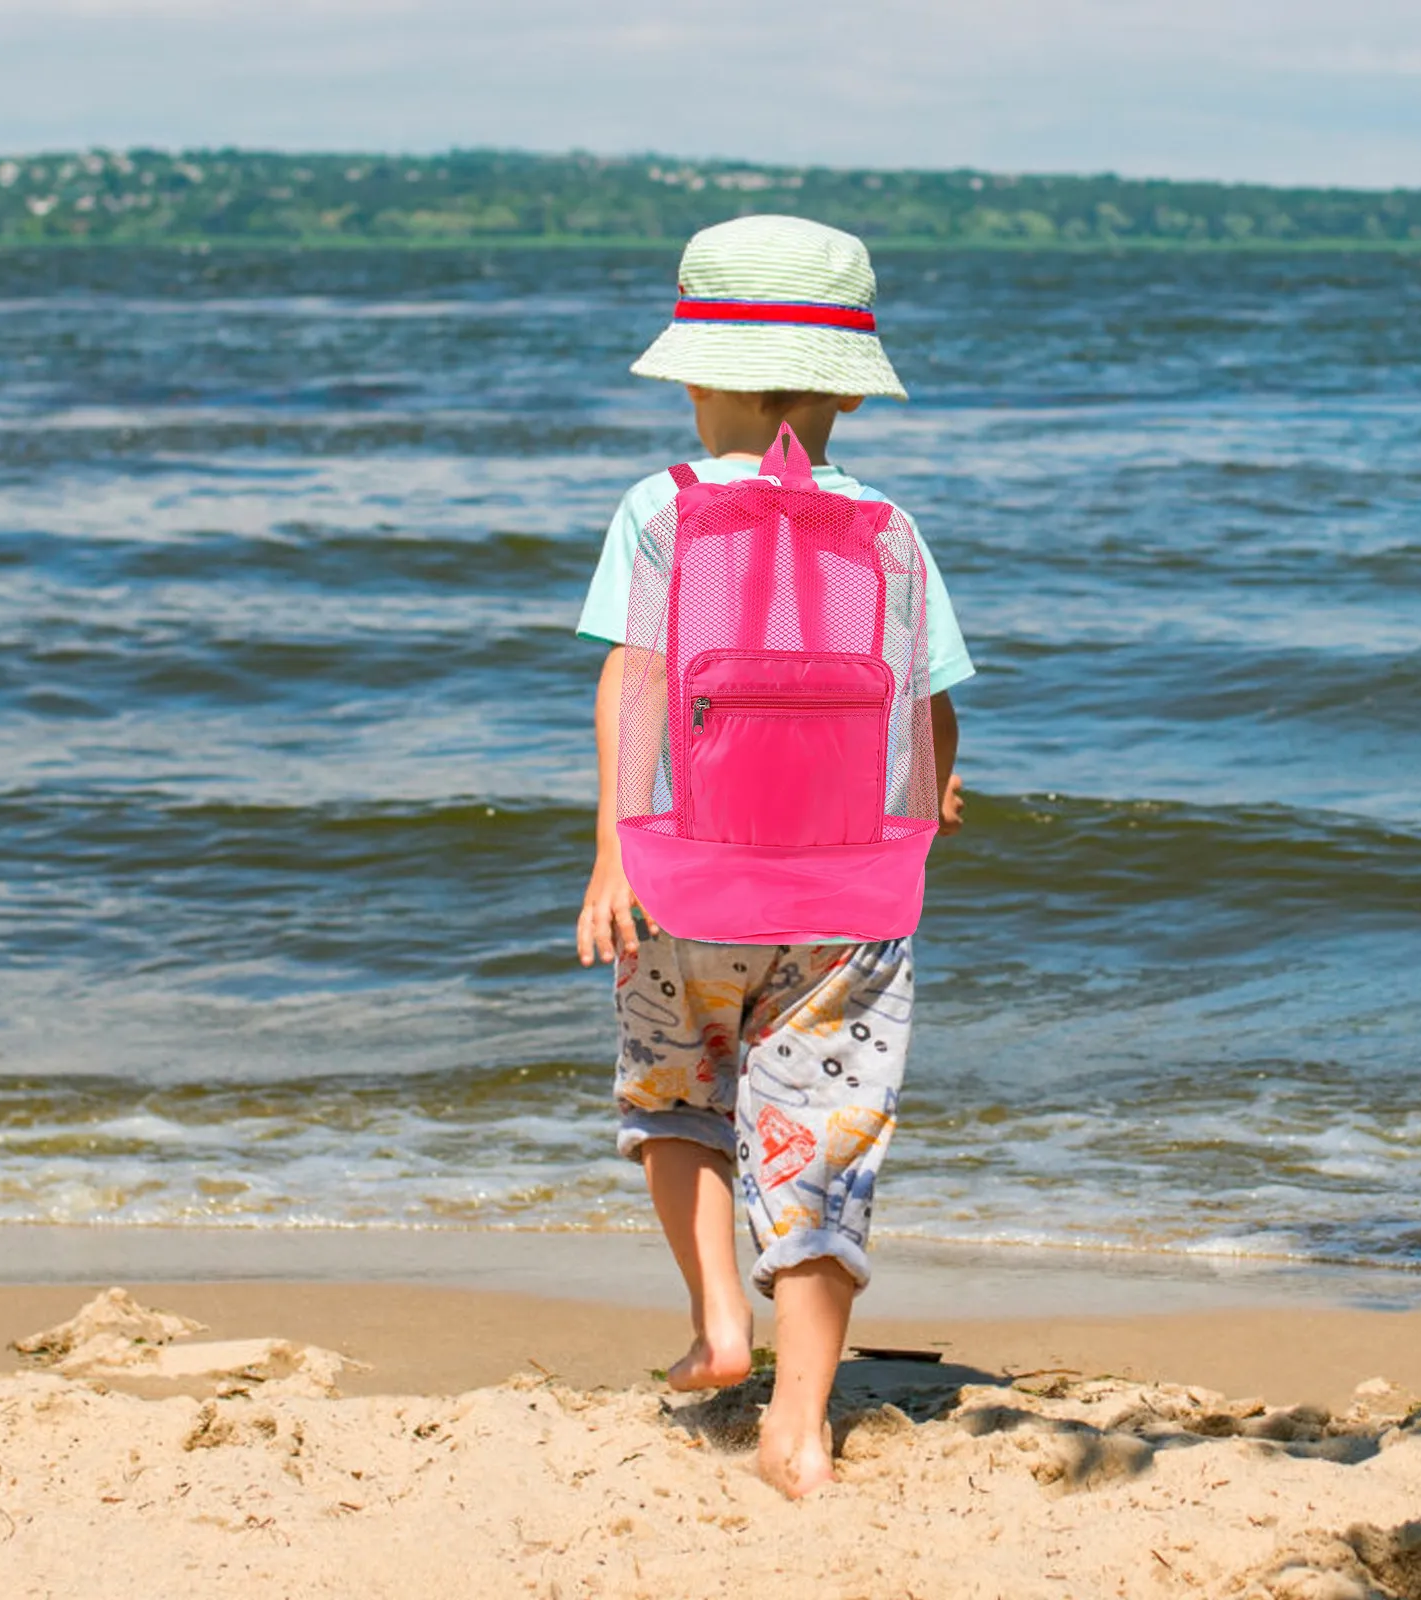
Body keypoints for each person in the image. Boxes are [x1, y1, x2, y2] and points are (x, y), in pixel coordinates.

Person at [574, 214, 973, 1497]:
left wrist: (610, 855)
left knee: (679, 1096)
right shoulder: (891, 527)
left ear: (703, 374)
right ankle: (798, 1428)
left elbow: (636, 679)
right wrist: (938, 792)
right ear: (844, 386)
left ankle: (718, 1325)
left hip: (692, 875)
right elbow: (930, 699)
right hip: (852, 895)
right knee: (824, 1135)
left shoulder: (662, 507)